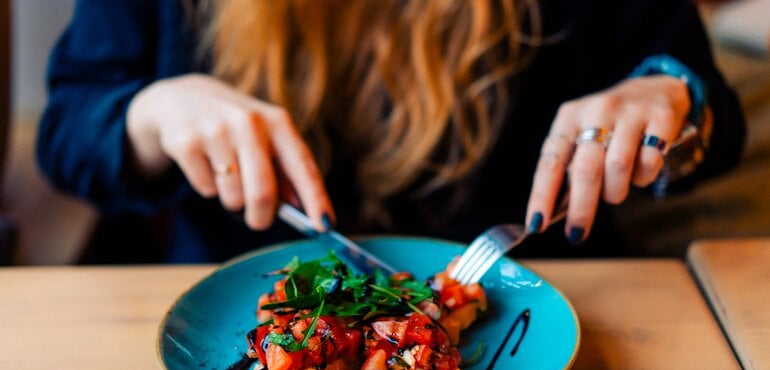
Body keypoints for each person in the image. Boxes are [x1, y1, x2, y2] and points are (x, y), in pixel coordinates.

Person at [37, 0, 744, 264]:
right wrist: (152, 113)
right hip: (227, 332)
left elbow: (711, 122)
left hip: (550, 318)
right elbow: (67, 131)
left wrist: (669, 101)